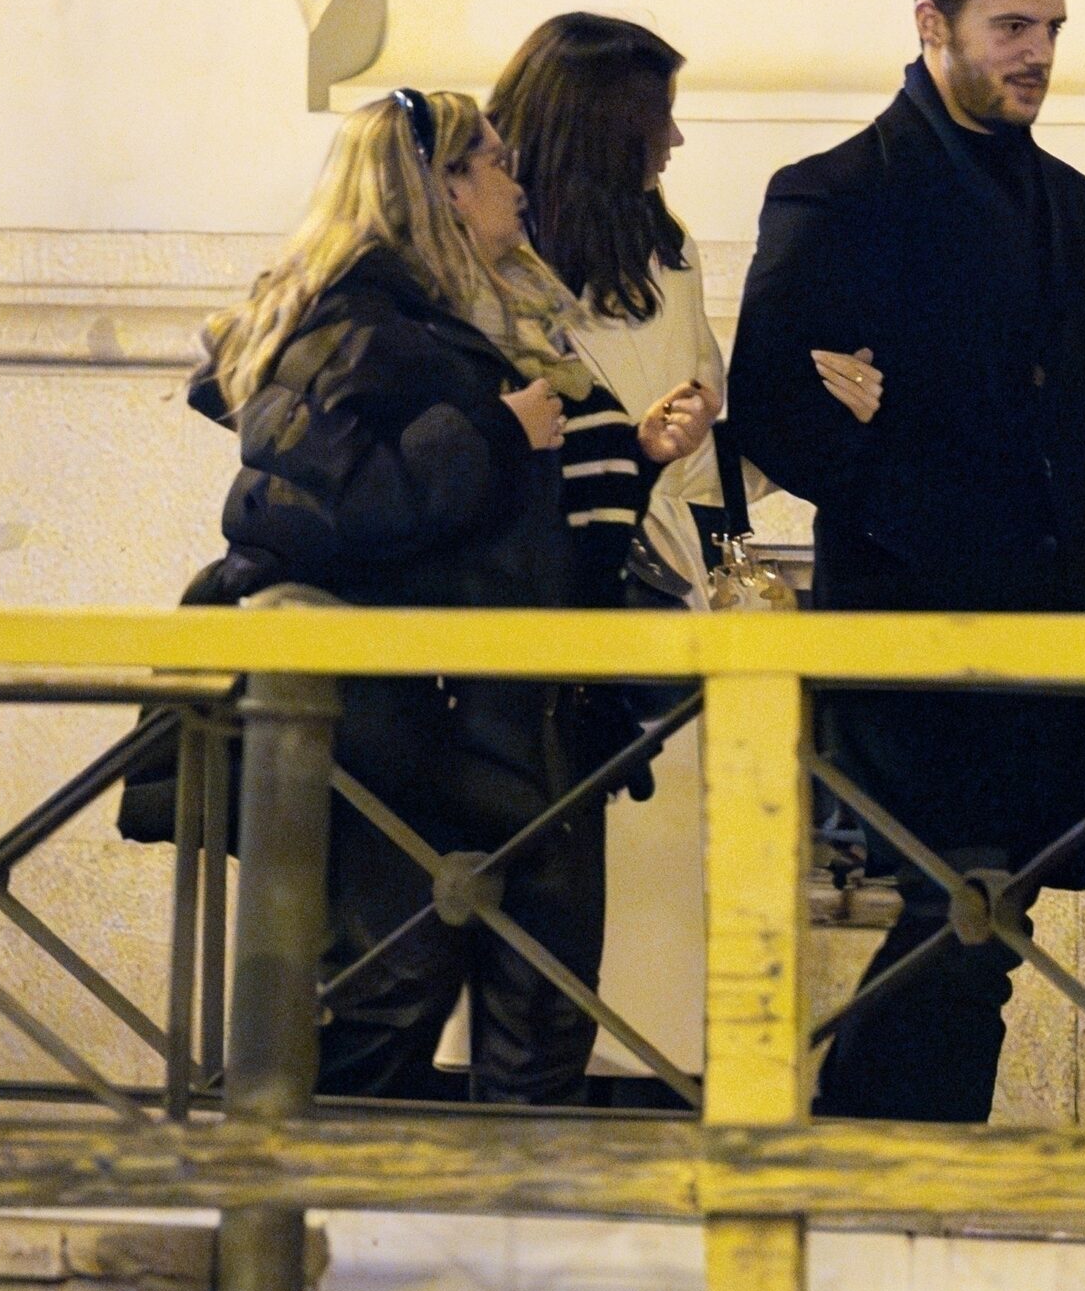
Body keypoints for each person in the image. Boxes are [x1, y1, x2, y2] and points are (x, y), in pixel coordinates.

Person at [726, 0, 1085, 1123]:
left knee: (989, 927)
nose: (1037, 53)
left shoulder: (1077, 204)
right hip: (907, 631)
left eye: (1051, 28)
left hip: (1048, 627)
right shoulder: (836, 192)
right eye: (1010, 26)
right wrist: (911, 506)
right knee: (939, 922)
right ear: (933, 26)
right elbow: (776, 402)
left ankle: (909, 1179)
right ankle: (879, 1178)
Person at [189, 87, 707, 1103]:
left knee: (538, 1001)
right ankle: (306, 1218)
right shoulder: (351, 323)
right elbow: (314, 507)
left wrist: (630, 454)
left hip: (516, 705)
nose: (518, 185)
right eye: (496, 164)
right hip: (417, 719)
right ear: (439, 184)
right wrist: (495, 433)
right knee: (397, 989)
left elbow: (513, 506)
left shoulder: (485, 311)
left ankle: (507, 1232)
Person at [489, 12, 744, 606]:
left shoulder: (661, 243)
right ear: (603, 129)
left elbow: (691, 439)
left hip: (661, 569)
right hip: (535, 576)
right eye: (661, 117)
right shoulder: (479, 258)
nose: (675, 138)